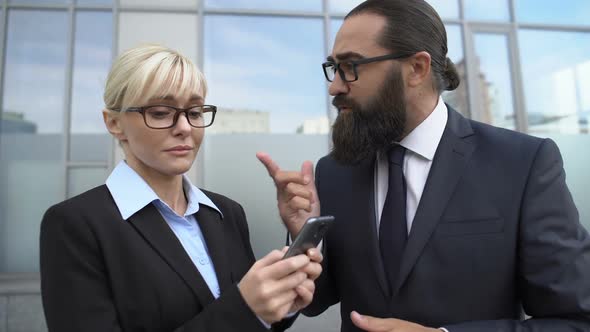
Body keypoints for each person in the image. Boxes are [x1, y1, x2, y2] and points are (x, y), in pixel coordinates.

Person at [257, 1, 590, 331]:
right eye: (334, 67)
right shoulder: (333, 172)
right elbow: (313, 301)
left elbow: (575, 320)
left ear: (416, 68)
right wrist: (306, 238)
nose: (335, 86)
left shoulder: (522, 164)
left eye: (351, 67)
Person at [40, 44, 322, 332]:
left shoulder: (226, 213)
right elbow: (240, 314)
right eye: (162, 112)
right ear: (114, 123)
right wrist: (245, 309)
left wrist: (278, 306)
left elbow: (253, 322)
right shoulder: (75, 225)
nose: (185, 127)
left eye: (196, 112)